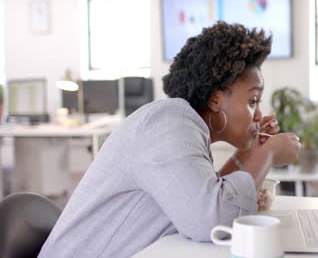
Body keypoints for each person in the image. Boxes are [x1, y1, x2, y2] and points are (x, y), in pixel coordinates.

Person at [39, 21, 301, 257]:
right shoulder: (168, 123)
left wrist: (250, 153)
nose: (259, 114)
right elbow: (211, 218)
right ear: (214, 98)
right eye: (253, 101)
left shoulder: (182, 125)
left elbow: (205, 196)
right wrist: (265, 156)